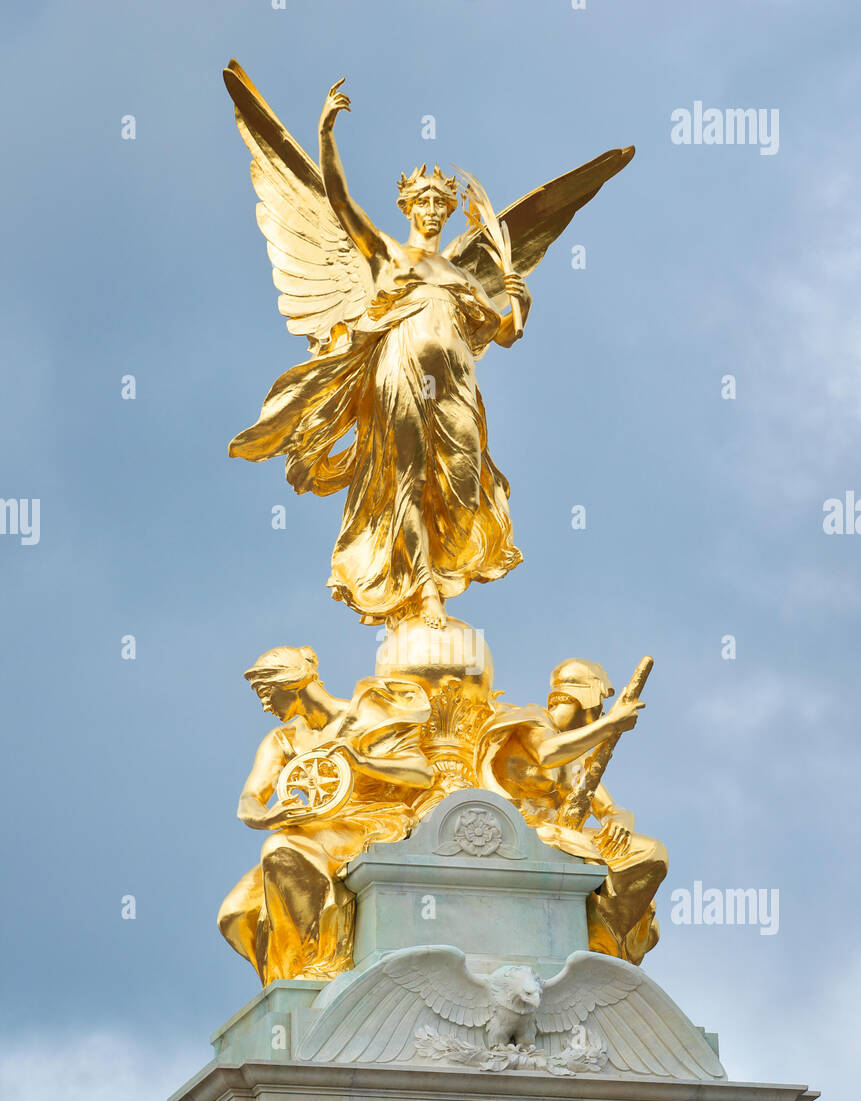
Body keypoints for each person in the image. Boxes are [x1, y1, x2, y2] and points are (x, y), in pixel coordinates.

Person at [229, 81, 529, 630]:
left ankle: (440, 568)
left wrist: (519, 298)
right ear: (406, 206)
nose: (434, 210)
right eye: (424, 202)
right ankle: (424, 589)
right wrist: (325, 133)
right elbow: (338, 202)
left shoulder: (463, 275)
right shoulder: (387, 254)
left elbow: (504, 334)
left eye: (442, 202)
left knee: (463, 482)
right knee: (406, 480)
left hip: (457, 382)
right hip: (401, 372)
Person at [217, 645, 434, 984]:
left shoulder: (365, 717)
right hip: (315, 830)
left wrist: (361, 762)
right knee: (235, 914)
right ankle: (285, 986)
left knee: (282, 849)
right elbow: (248, 800)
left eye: (267, 693)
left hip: (374, 820)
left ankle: (325, 965)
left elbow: (421, 774)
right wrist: (270, 817)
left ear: (290, 684)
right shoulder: (281, 740)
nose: (265, 705)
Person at [477, 659, 668, 964]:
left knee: (651, 854)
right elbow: (547, 753)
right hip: (517, 831)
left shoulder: (578, 759)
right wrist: (609, 726)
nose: (602, 714)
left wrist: (620, 821)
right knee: (583, 853)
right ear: (588, 699)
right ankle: (591, 940)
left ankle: (599, 941)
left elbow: (611, 809)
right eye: (600, 708)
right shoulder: (529, 720)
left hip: (563, 836)